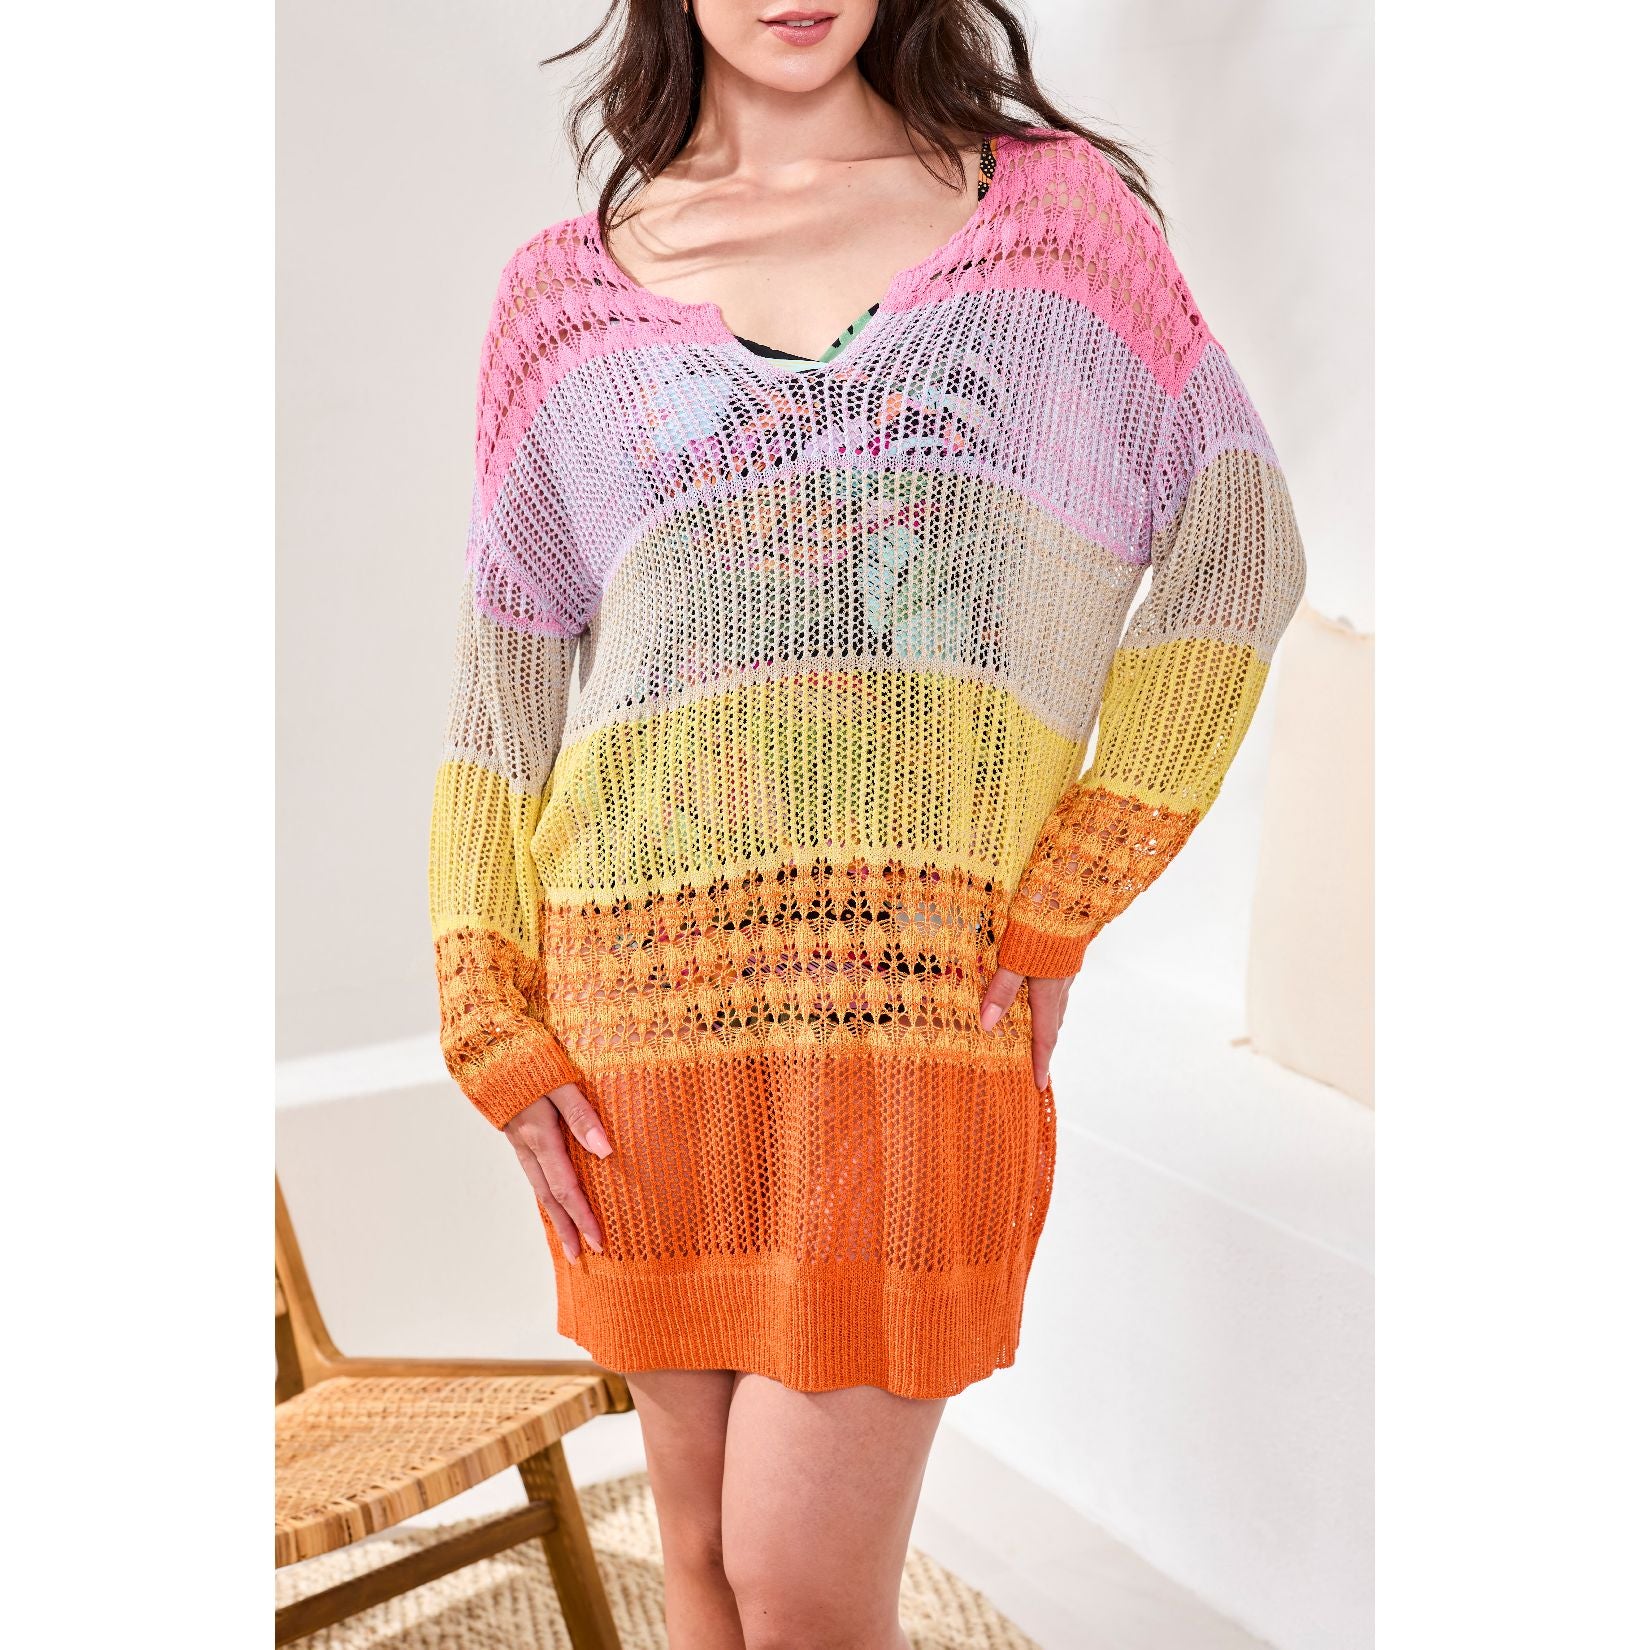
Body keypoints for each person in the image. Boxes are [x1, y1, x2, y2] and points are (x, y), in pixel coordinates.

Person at [427, 3, 1307, 1645]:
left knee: (802, 1585)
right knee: (699, 1554)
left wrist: (1074, 882)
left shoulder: (1049, 227)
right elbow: (502, 680)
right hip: (636, 1015)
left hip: (909, 1006)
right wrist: (485, 990)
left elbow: (1238, 544)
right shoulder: (559, 297)